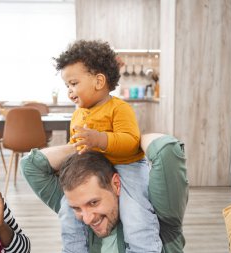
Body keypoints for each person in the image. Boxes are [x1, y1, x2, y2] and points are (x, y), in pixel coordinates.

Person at [53, 39, 161, 252]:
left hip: (128, 168)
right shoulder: (77, 114)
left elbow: (131, 142)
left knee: (135, 215)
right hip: (95, 171)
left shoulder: (119, 108)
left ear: (99, 81)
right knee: (67, 211)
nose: (69, 91)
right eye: (67, 85)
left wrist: (99, 139)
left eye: (73, 83)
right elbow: (75, 146)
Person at [21, 133, 189, 253]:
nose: (87, 219)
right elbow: (31, 165)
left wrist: (124, 141)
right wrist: (90, 142)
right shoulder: (78, 222)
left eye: (93, 202)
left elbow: (166, 151)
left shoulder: (158, 212)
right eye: (76, 208)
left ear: (116, 184)